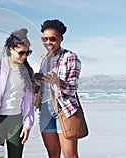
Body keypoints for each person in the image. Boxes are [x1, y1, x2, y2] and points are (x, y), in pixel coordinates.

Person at [0, 28, 35, 158]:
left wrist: (28, 124)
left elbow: (29, 101)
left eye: (28, 53)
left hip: (16, 121)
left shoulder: (28, 70)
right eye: (21, 53)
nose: (25, 56)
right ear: (11, 48)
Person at [37, 19, 81, 158]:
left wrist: (58, 82)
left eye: (52, 38)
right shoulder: (42, 59)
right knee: (52, 154)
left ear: (61, 38)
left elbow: (72, 88)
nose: (48, 42)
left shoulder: (70, 57)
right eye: (45, 39)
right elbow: (38, 87)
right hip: (44, 110)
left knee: (70, 155)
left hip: (64, 108)